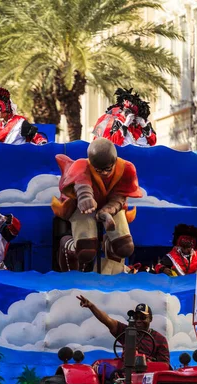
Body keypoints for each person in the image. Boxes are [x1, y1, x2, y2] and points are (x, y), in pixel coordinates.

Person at [52, 138, 142, 274]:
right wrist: (85, 197)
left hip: (113, 208)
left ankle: (108, 264)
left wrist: (108, 211)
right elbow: (82, 183)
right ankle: (68, 245)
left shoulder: (126, 169)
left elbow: (120, 196)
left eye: (107, 169)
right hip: (83, 208)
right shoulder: (82, 165)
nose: (104, 173)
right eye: (99, 170)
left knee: (124, 247)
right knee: (85, 251)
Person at [77, 295, 170, 364]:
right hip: (123, 374)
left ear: (150, 319)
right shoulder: (127, 331)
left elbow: (163, 365)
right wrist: (91, 306)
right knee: (106, 375)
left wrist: (146, 361)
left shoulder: (160, 340)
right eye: (135, 317)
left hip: (148, 375)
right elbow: (107, 320)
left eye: (142, 317)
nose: (138, 321)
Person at [92, 88, 157, 147]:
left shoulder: (143, 122)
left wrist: (145, 127)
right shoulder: (111, 119)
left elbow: (153, 142)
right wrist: (125, 126)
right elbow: (107, 145)